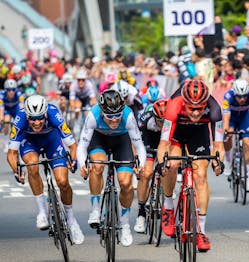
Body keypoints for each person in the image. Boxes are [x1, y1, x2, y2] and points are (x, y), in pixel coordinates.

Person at [156, 80, 224, 252]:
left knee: (200, 175)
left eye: (199, 108)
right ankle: (169, 207)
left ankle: (201, 229)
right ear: (184, 103)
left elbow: (218, 146)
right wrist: (162, 163)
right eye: (191, 108)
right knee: (172, 164)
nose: (195, 112)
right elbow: (163, 144)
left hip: (199, 134)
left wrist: (218, 162)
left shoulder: (215, 110)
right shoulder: (173, 106)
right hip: (177, 132)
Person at [6, 95, 84, 244]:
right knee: (32, 166)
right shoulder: (19, 119)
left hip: (52, 141)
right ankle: (42, 211)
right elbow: (11, 153)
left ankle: (71, 219)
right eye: (32, 119)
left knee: (62, 181)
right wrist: (16, 169)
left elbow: (73, 146)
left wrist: (73, 161)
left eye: (40, 118)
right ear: (27, 116)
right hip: (29, 142)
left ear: (46, 114)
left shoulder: (54, 114)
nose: (36, 123)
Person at [77, 89, 146, 247]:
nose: (114, 120)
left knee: (126, 183)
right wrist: (82, 165)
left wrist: (140, 166)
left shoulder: (128, 116)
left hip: (121, 142)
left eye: (117, 115)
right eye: (110, 116)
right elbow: (82, 146)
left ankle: (124, 223)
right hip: (98, 140)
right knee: (98, 166)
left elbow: (139, 146)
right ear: (102, 113)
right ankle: (95, 209)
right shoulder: (93, 115)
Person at [134, 99, 167, 233]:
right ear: (153, 116)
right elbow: (136, 143)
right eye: (159, 120)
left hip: (165, 139)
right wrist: (137, 162)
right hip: (148, 138)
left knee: (167, 167)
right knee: (146, 173)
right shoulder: (144, 120)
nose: (162, 123)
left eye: (164, 120)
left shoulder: (172, 120)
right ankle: (141, 213)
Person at [222, 80, 249, 191]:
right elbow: (226, 117)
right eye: (239, 97)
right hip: (232, 119)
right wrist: (226, 132)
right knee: (228, 136)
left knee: (248, 144)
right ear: (234, 94)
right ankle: (228, 160)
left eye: (244, 96)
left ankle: (248, 179)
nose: (242, 99)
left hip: (245, 119)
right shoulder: (228, 96)